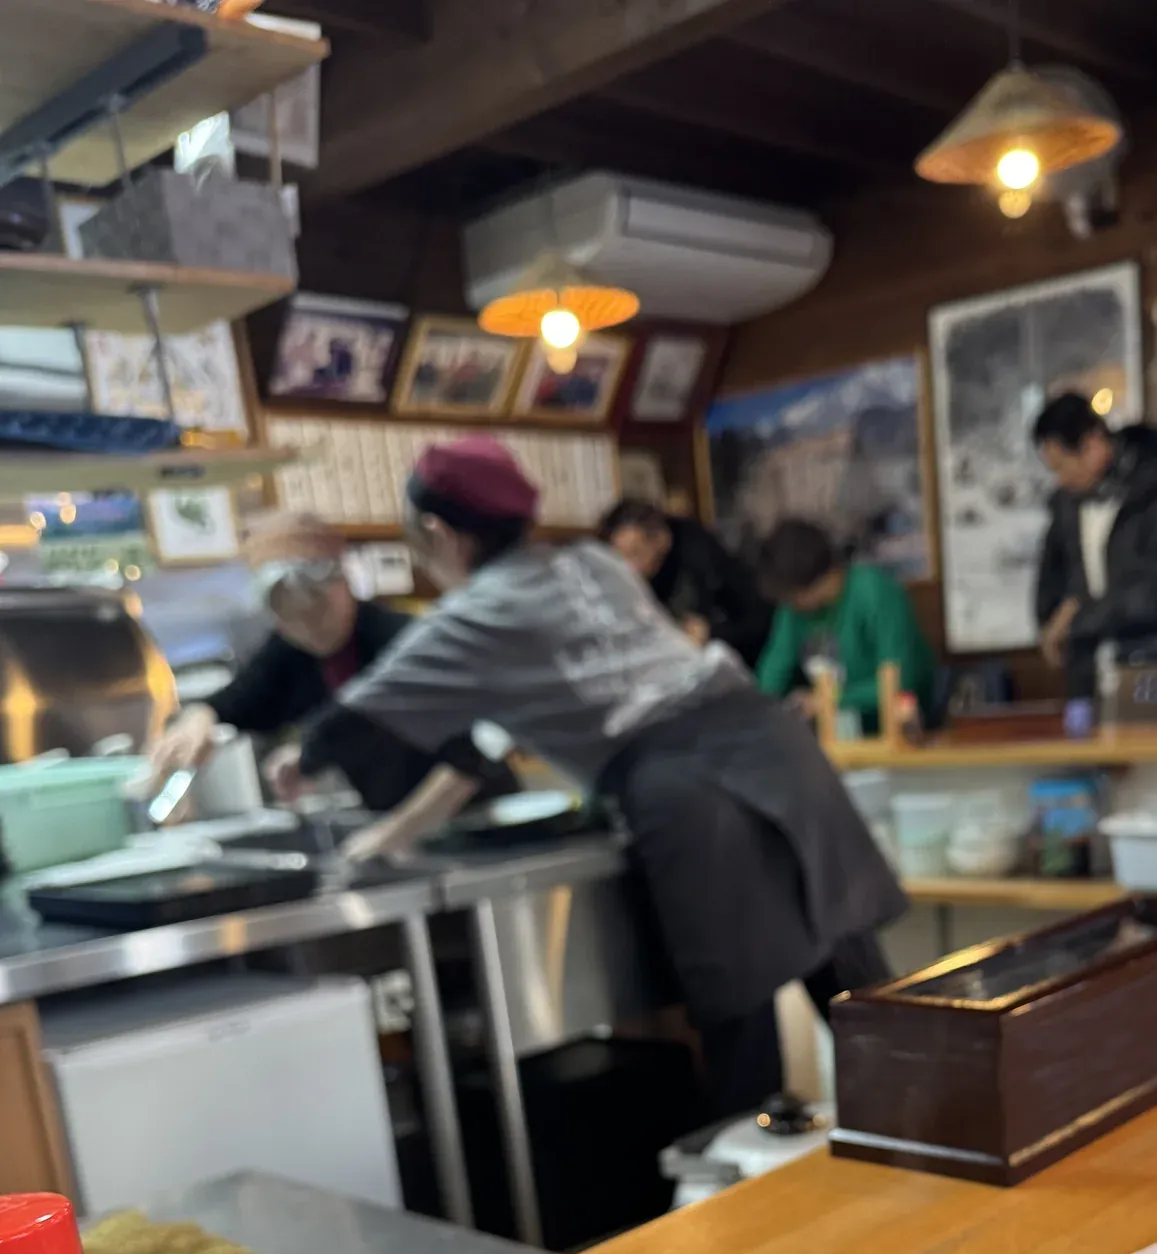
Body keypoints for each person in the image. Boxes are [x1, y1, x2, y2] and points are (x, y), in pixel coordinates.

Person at [332, 437, 906, 1118]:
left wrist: (307, 771)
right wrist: (395, 834)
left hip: (690, 791)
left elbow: (357, 722)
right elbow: (477, 753)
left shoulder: (481, 609)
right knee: (877, 1014)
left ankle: (770, 1204)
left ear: (438, 532)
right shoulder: (590, 563)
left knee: (747, 1050)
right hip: (774, 744)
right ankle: (952, 1163)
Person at [144, 511, 516, 819]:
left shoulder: (400, 641)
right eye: (289, 613)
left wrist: (392, 836)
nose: (308, 624)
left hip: (479, 817)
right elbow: (233, 704)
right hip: (401, 828)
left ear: (345, 581)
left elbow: (469, 758)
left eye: (318, 605)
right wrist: (198, 720)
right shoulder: (291, 651)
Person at [1033, 393, 1157, 705]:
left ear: (1092, 444)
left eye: (1062, 465)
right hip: (1091, 676)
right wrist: (1054, 619)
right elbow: (1054, 582)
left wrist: (1077, 619)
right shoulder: (1066, 505)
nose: (1060, 479)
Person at [754, 519, 935, 736]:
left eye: (794, 597)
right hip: (841, 733)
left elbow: (901, 681)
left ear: (825, 577)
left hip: (906, 729)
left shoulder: (875, 593)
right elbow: (772, 675)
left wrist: (827, 700)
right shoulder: (793, 610)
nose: (790, 605)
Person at [599, 498, 772, 668]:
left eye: (635, 553)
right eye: (619, 559)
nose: (628, 567)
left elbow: (757, 621)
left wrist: (711, 632)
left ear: (661, 538)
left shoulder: (701, 558)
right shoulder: (634, 576)